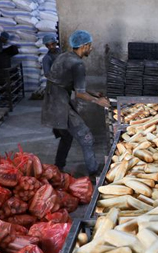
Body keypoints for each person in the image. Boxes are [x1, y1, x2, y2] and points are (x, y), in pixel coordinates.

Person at [41, 30, 110, 176]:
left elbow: (65, 82)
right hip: (60, 105)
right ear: (84, 46)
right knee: (86, 137)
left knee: (66, 136)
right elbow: (79, 93)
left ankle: (58, 167)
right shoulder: (78, 64)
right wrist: (98, 101)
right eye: (90, 46)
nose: (91, 48)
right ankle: (94, 172)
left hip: (51, 102)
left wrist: (92, 92)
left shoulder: (64, 56)